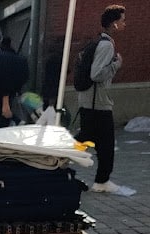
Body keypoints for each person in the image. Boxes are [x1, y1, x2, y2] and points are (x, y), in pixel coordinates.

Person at [75, 4, 126, 193]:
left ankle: (57, 163)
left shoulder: (98, 42)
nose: (124, 24)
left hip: (90, 101)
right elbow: (97, 74)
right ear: (114, 24)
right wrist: (116, 65)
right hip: (98, 103)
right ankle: (101, 181)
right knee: (105, 146)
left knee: (85, 140)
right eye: (122, 20)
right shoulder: (106, 45)